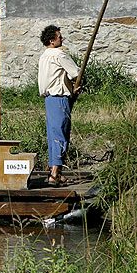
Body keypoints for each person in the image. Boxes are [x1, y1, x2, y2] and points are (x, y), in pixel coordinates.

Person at [38, 24, 81, 187]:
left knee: (53, 134)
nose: (62, 39)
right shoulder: (58, 54)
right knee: (60, 135)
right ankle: (54, 173)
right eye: (59, 36)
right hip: (59, 98)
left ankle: (56, 171)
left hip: (49, 99)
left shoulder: (44, 56)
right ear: (52, 40)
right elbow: (76, 72)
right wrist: (75, 85)